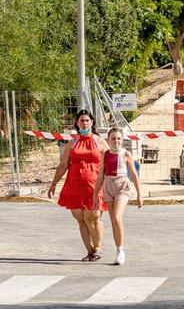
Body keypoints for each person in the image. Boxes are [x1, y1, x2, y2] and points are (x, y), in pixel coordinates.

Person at [47, 109, 107, 261]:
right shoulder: (72, 142)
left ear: (92, 122)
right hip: (74, 185)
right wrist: (54, 183)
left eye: (87, 120)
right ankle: (90, 251)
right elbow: (63, 165)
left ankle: (97, 248)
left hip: (95, 186)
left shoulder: (100, 141)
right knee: (81, 218)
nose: (84, 123)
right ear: (77, 123)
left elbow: (111, 161)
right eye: (81, 120)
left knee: (92, 216)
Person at [92, 127, 144, 265]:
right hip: (108, 185)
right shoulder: (105, 154)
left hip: (122, 185)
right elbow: (100, 175)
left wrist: (140, 194)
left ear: (122, 140)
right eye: (113, 138)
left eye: (119, 138)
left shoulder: (125, 154)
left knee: (117, 216)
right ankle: (118, 250)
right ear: (108, 140)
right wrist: (95, 194)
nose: (116, 141)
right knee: (113, 221)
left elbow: (134, 174)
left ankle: (121, 251)